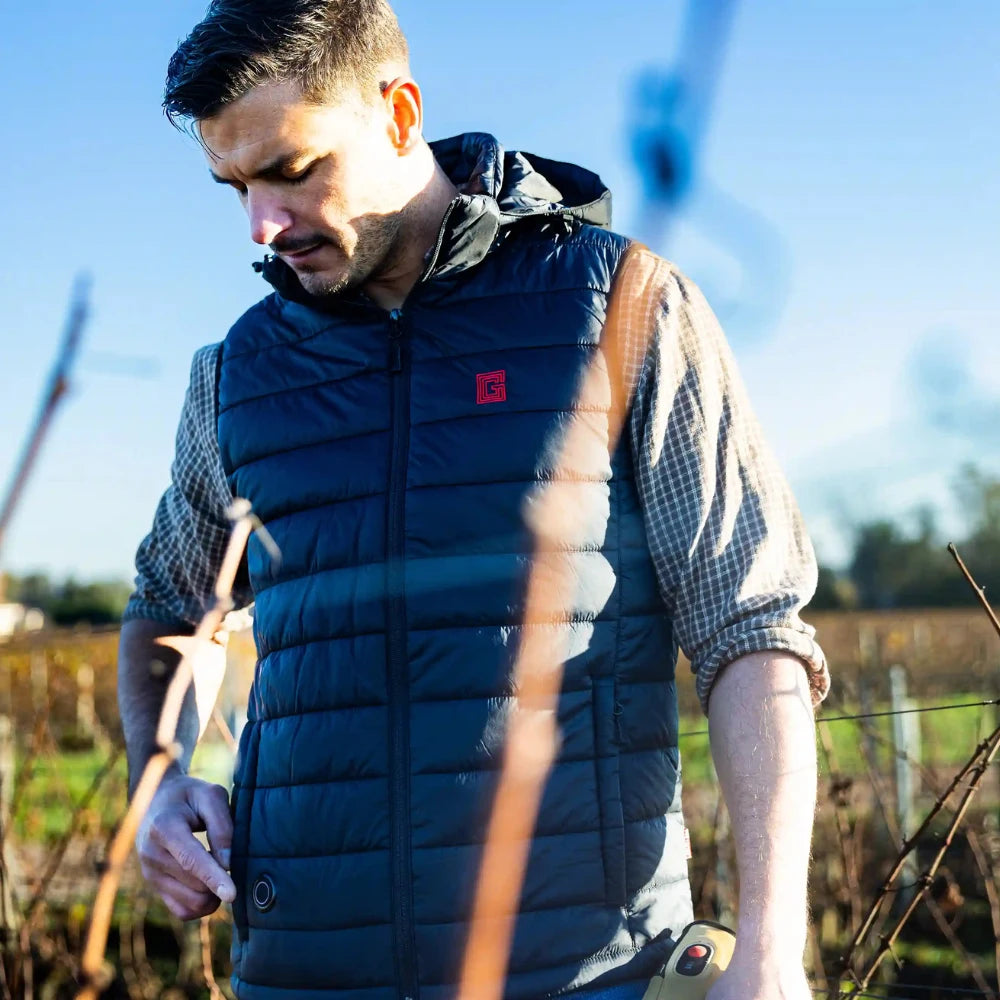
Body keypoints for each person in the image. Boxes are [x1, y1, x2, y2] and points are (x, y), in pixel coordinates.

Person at [118, 2, 829, 999]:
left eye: (290, 170)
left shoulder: (619, 306)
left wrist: (769, 949)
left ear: (399, 113)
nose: (261, 226)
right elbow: (169, 609)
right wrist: (158, 784)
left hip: (583, 975)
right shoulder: (240, 373)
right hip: (303, 974)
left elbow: (751, 628)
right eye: (233, 186)